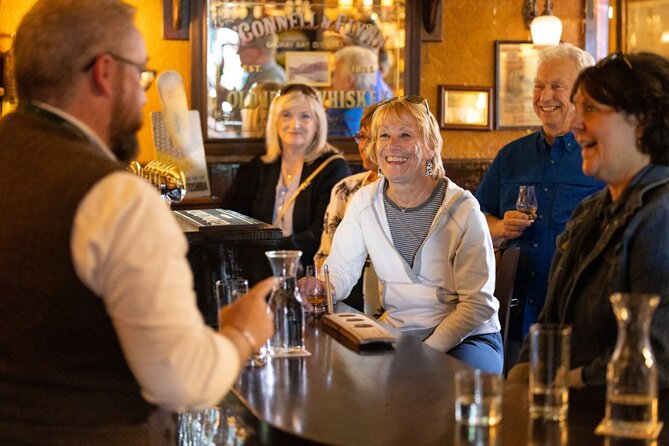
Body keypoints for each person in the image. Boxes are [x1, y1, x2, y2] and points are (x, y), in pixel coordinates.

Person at [0, 1, 274, 444]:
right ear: (104, 73)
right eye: (141, 73)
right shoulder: (115, 197)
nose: (145, 93)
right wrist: (244, 330)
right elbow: (184, 380)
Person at [508, 51, 669, 388]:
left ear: (644, 121)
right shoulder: (590, 212)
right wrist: (520, 381)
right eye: (578, 108)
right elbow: (550, 324)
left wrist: (568, 381)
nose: (576, 123)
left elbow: (657, 355)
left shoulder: (661, 217)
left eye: (591, 110)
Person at [323, 96, 503, 373]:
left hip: (468, 340)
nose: (392, 145)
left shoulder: (462, 207)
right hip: (398, 334)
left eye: (405, 135)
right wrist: (324, 287)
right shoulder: (363, 201)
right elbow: (341, 270)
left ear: (431, 146)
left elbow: (477, 304)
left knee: (442, 390)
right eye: (384, 135)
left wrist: (425, 352)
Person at [474, 43, 604, 365]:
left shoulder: (602, 155)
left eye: (557, 86)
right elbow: (472, 223)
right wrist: (501, 227)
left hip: (581, 322)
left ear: (582, 92)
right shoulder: (511, 156)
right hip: (512, 318)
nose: (545, 97)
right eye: (539, 86)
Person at [227, 83, 351, 269]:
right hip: (260, 270)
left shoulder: (333, 167)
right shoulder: (260, 166)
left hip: (309, 273)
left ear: (318, 124)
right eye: (286, 115)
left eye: (305, 116)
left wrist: (270, 250)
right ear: (275, 122)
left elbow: (323, 232)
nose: (295, 124)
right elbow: (233, 217)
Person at [314, 103, 381, 313]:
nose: (364, 145)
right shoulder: (345, 189)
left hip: (399, 311)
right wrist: (324, 292)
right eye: (362, 136)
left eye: (376, 137)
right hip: (345, 302)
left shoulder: (447, 199)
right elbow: (325, 256)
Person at [327, 45, 379, 137]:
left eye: (334, 73)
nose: (331, 80)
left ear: (349, 80)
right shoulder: (341, 105)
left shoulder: (353, 120)